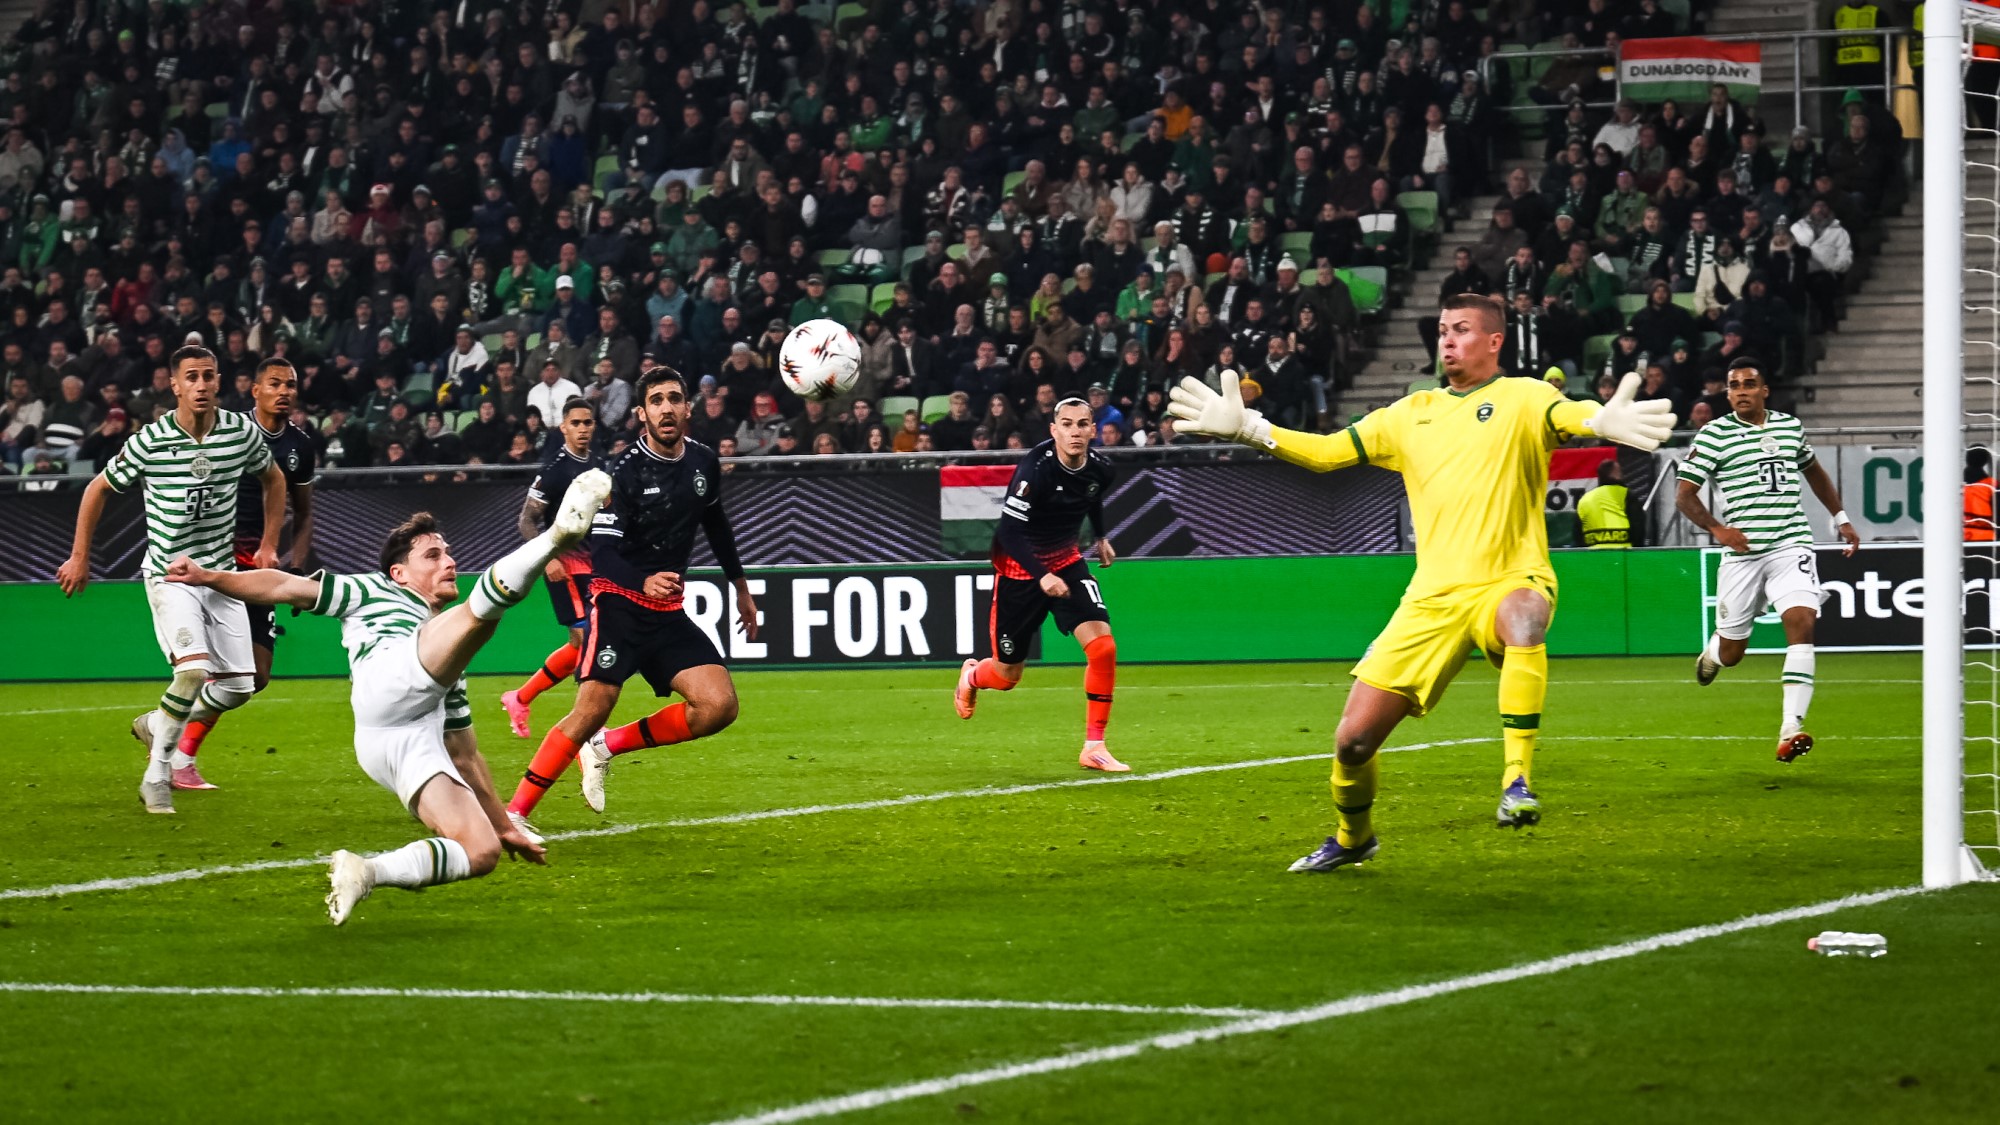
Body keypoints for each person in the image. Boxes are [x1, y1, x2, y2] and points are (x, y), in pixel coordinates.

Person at [1165, 295, 1674, 870]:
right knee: (1352, 742)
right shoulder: (1411, 413)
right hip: (1431, 599)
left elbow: (1569, 414)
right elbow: (1328, 453)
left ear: (1494, 341)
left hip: (1509, 577)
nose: (1447, 340)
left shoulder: (1525, 397)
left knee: (1525, 617)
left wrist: (1599, 420)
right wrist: (1252, 429)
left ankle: (1516, 781)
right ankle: (1353, 838)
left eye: (1462, 330)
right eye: (1442, 330)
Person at [161, 472, 612, 923]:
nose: (449, 562)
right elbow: (282, 587)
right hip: (385, 683)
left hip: (400, 741)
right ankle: (556, 537)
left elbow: (464, 754)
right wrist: (208, 576)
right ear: (399, 574)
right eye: (432, 555)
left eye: (448, 553)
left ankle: (367, 872)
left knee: (481, 851)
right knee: (478, 617)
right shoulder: (372, 590)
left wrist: (502, 826)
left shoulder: (448, 658)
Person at [508, 367, 759, 822]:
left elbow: (716, 524)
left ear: (688, 407)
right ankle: (515, 816)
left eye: (674, 398)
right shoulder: (622, 473)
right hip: (618, 605)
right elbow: (602, 555)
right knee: (590, 710)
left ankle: (606, 746)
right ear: (641, 413)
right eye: (656, 401)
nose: (667, 408)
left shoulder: (703, 461)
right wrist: (642, 581)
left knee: (719, 706)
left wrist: (741, 588)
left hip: (666, 612)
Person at [57, 345, 288, 813]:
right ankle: (157, 777)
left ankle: (156, 721)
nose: (201, 385)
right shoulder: (151, 440)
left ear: (219, 382)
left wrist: (268, 544)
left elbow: (274, 478)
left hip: (218, 575)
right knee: (193, 672)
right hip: (170, 574)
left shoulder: (240, 434)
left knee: (239, 688)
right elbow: (97, 488)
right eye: (192, 377)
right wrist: (79, 557)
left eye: (208, 376)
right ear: (175, 385)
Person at [133, 359, 319, 786]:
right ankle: (180, 759)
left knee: (256, 677)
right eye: (275, 384)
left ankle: (161, 725)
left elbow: (304, 512)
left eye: (290, 385)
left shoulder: (300, 446)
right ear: (255, 390)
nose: (284, 392)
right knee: (203, 668)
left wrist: (294, 564)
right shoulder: (229, 431)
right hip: (215, 559)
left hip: (259, 564)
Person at [1678, 357, 1862, 763]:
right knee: (1733, 654)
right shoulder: (1714, 434)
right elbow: (1684, 495)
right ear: (1728, 394)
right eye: (1734, 385)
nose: (1741, 391)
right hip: (1742, 555)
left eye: (1749, 384)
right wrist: (1718, 529)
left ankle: (1790, 729)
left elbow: (1814, 472)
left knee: (1802, 622)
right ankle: (1713, 652)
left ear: (1764, 390)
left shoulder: (1789, 427)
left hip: (1790, 544)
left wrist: (1841, 518)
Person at [953, 397, 1127, 773]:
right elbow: (1009, 532)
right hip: (1019, 573)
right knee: (1006, 676)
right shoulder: (1035, 470)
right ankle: (971, 676)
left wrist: (1100, 537)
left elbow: (1092, 496)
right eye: (1067, 424)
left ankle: (1094, 746)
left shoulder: (1102, 469)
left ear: (1093, 431)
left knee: (1103, 648)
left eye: (1082, 424)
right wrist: (1041, 574)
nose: (1075, 432)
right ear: (1054, 430)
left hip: (1067, 563)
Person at [499, 399, 605, 739]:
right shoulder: (554, 470)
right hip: (566, 565)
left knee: (579, 644)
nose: (583, 429)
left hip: (595, 563)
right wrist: (548, 558)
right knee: (587, 639)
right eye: (576, 423)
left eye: (588, 422)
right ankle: (588, 724)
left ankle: (519, 698)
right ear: (563, 428)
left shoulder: (599, 466)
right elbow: (526, 520)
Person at [1577, 460, 1631, 549]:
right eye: (1620, 472)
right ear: (1615, 474)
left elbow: (1578, 533)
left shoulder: (1585, 499)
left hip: (1593, 553)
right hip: (1623, 552)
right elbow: (1638, 525)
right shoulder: (1625, 494)